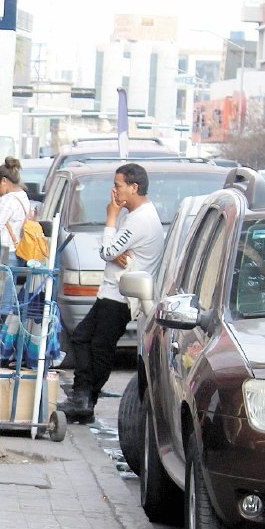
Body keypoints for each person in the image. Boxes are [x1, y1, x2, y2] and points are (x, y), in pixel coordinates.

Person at [60, 162, 165, 422]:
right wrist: (114, 251)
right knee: (85, 338)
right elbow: (111, 251)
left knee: (99, 347)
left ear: (134, 187)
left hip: (120, 296)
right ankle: (83, 397)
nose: (114, 192)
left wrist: (110, 218)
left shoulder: (140, 219)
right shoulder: (138, 216)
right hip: (111, 292)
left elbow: (107, 251)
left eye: (118, 186)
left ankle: (85, 399)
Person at [0, 156, 31, 317]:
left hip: (4, 251)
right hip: (16, 251)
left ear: (4, 181)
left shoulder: (8, 201)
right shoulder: (23, 197)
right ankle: (2, 333)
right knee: (7, 298)